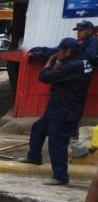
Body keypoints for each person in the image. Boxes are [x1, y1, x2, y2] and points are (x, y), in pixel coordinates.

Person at [17, 38, 94, 185]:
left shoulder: (72, 66)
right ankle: (34, 157)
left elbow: (45, 77)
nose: (57, 53)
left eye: (60, 51)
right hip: (59, 107)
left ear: (68, 52)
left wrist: (50, 62)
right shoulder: (82, 61)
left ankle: (60, 176)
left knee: (57, 143)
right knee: (38, 128)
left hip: (65, 110)